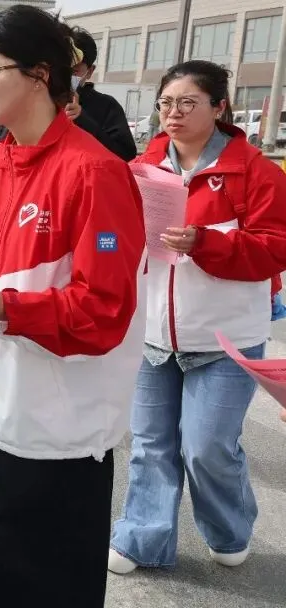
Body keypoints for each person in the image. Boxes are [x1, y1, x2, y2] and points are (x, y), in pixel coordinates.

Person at [0, 5, 147, 607]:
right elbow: (0, 255)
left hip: (52, 439)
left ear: (41, 74)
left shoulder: (96, 174)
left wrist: (8, 309)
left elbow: (104, 311)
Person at [108, 60, 286, 575]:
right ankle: (142, 538)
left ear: (219, 107)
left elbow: (275, 248)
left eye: (188, 103)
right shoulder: (143, 168)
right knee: (150, 446)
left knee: (206, 447)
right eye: (165, 103)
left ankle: (229, 529)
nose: (173, 114)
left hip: (227, 339)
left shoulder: (256, 172)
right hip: (155, 334)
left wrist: (205, 243)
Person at [0, 25, 138, 161]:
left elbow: (124, 154)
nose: (64, 76)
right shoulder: (29, 100)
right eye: (59, 69)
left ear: (90, 71)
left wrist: (82, 119)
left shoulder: (106, 106)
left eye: (73, 70)